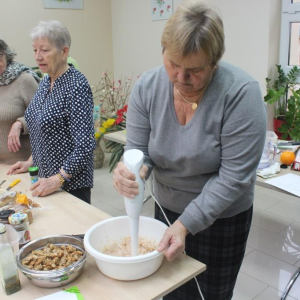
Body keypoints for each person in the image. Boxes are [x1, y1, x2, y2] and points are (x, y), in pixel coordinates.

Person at [113, 1, 267, 299]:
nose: (180, 78)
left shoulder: (240, 94)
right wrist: (133, 172)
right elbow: (140, 152)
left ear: (215, 61)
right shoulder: (148, 86)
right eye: (173, 64)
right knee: (168, 290)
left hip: (222, 218)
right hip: (167, 210)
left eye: (195, 70)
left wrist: (187, 224)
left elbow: (234, 177)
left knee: (210, 294)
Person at [7, 20, 96, 204]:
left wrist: (58, 179)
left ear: (64, 52)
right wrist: (30, 161)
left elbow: (85, 145)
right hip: (45, 181)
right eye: (35, 50)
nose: (38, 57)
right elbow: (42, 130)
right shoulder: (46, 81)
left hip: (70, 185)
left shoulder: (76, 86)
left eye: (45, 50)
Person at [0, 39, 40, 165]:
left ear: (6, 55)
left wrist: (20, 124)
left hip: (23, 164)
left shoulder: (24, 80)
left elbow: (44, 115)